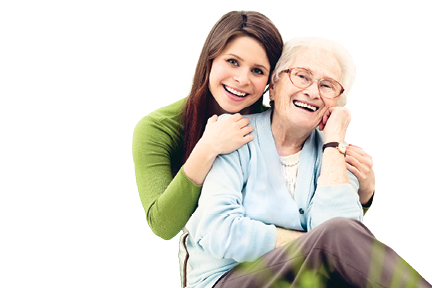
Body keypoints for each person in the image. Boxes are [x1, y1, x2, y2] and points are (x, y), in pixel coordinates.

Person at [132, 9, 375, 287]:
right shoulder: (161, 129)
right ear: (209, 60)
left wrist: (362, 191)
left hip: (290, 273)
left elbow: (340, 235)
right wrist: (207, 148)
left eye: (257, 70)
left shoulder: (294, 124)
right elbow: (169, 225)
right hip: (222, 271)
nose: (242, 79)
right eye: (232, 61)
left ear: (270, 81)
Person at [184, 37, 431, 288]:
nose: (313, 92)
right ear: (273, 85)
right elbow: (218, 231)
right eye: (302, 76)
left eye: (327, 85)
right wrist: (313, 244)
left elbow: (344, 254)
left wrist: (334, 143)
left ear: (336, 104)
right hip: (228, 279)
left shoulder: (336, 154)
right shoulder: (234, 135)